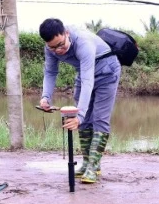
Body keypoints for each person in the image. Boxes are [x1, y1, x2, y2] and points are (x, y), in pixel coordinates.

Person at [38, 18, 121, 184]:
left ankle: (94, 166)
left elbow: (87, 81)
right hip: (83, 73)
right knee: (82, 121)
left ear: (66, 33)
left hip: (107, 71)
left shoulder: (84, 43)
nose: (58, 50)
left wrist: (80, 115)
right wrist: (45, 97)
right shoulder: (51, 49)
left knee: (98, 118)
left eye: (60, 44)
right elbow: (50, 72)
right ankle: (86, 163)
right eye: (52, 47)